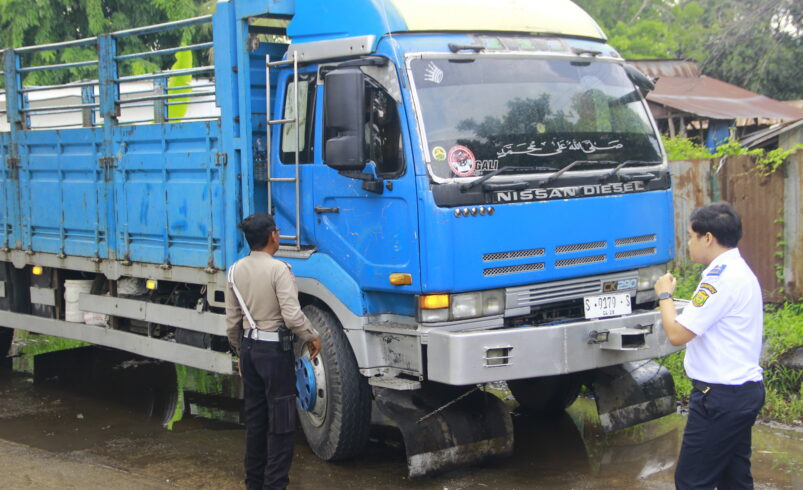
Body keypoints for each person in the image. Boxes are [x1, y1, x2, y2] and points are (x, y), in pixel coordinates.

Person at [653, 201, 764, 489]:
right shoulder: (738, 270)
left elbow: (677, 334)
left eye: (691, 236)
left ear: (708, 238)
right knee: (734, 478)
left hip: (719, 398)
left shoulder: (718, 280)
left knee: (692, 481)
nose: (689, 243)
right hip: (741, 392)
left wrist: (664, 296)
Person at [225, 212, 321, 490]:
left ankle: (253, 484)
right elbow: (291, 316)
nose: (279, 235)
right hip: (274, 352)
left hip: (249, 349)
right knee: (281, 425)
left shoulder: (234, 270)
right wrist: (311, 335)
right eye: (278, 231)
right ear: (271, 236)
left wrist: (239, 353)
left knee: (256, 422)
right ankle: (275, 486)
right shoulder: (279, 269)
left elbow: (232, 322)